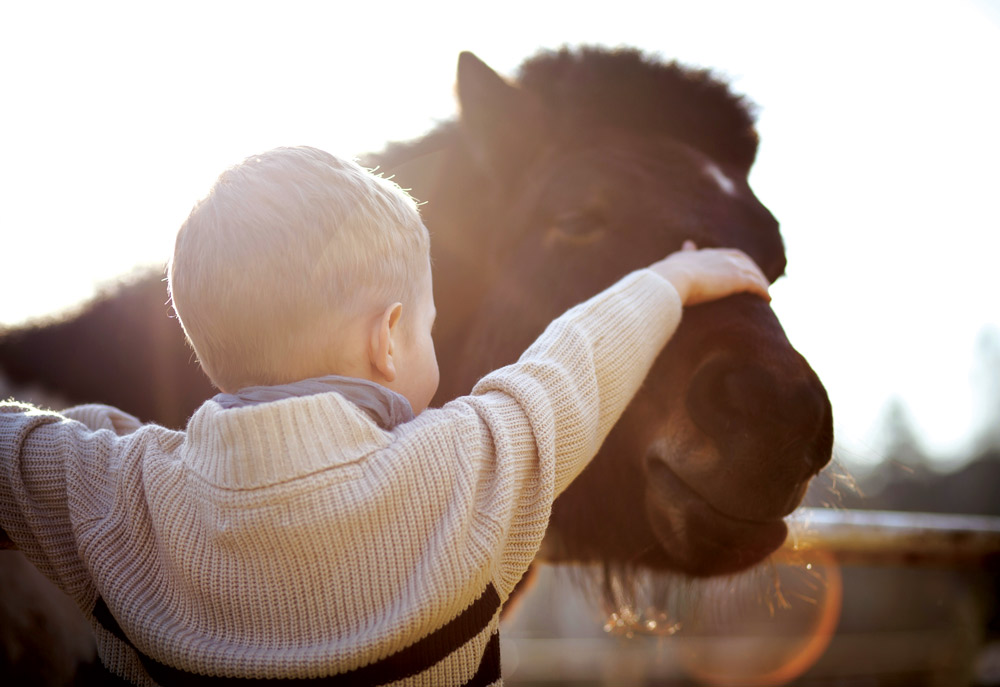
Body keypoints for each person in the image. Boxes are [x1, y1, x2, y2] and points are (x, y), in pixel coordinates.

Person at [0, 146, 771, 686]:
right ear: (388, 336)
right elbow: (574, 362)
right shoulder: (462, 474)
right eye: (429, 326)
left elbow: (16, 444)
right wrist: (672, 278)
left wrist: (107, 435)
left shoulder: (114, 493)